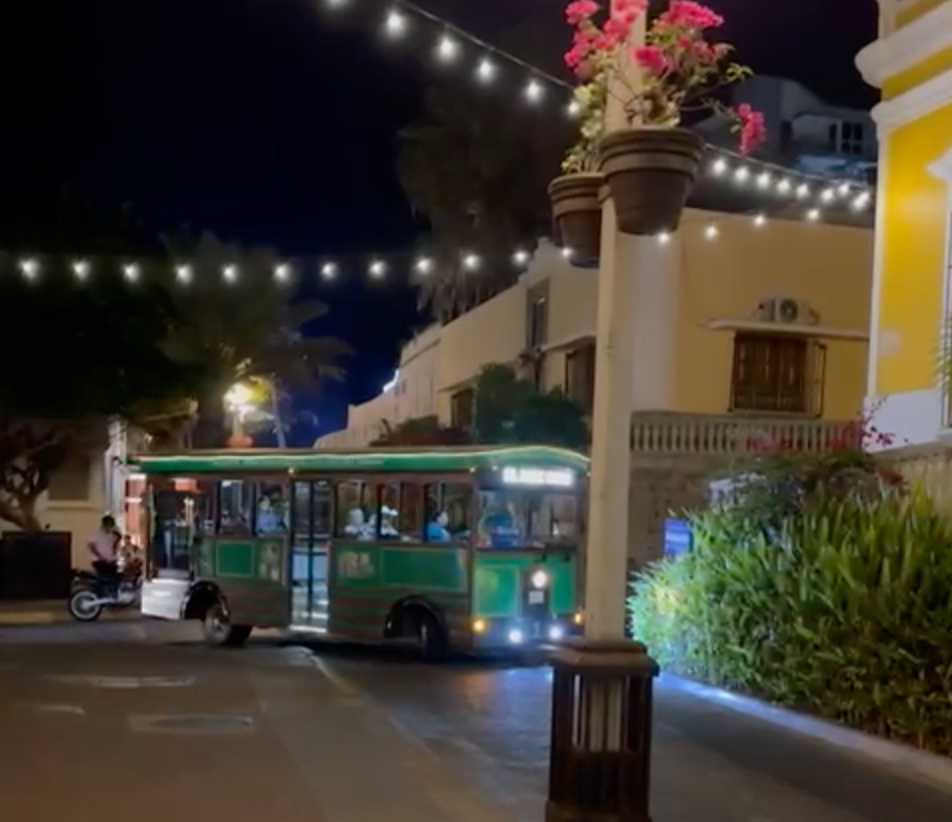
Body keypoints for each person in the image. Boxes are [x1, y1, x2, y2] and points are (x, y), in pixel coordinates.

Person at [88, 515, 121, 589]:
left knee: (115, 577)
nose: (109, 527)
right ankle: (102, 593)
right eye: (108, 525)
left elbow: (118, 539)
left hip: (110, 559)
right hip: (99, 560)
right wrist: (101, 557)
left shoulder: (112, 534)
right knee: (105, 577)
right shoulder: (97, 533)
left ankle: (111, 593)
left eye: (111, 525)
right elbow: (91, 546)